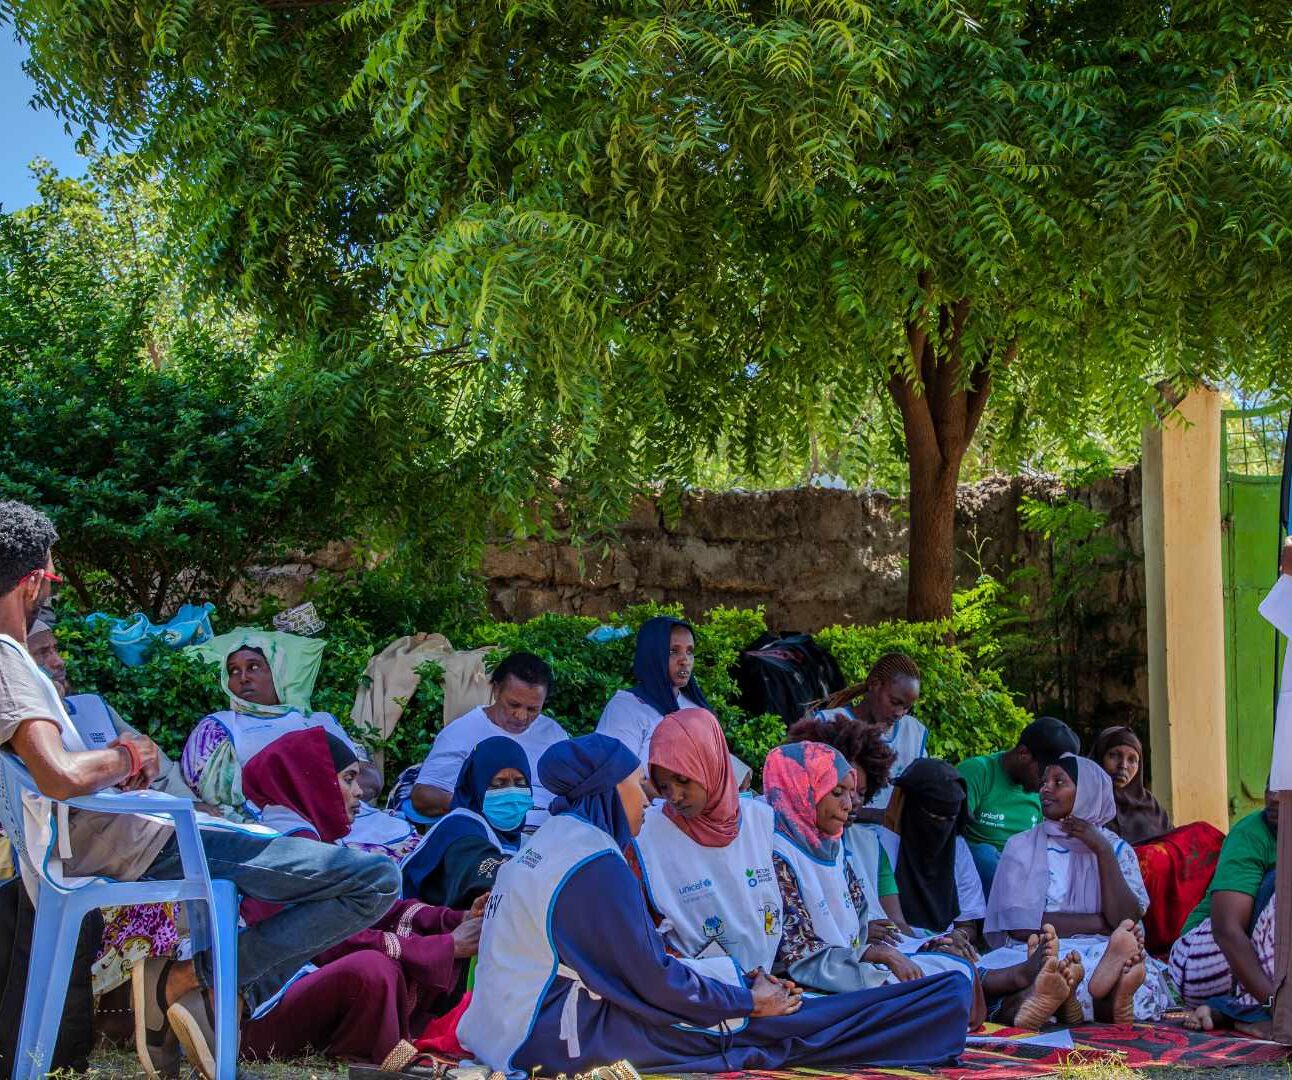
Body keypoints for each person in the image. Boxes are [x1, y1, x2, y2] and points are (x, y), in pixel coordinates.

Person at [0, 500, 401, 1080]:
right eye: (54, 578)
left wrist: (115, 769)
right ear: (34, 579)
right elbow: (57, 774)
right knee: (374, 880)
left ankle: (198, 981)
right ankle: (195, 980)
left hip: (126, 833)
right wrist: (126, 755)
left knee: (319, 862)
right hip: (143, 841)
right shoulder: (9, 660)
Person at [458, 734, 972, 1076]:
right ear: (607, 791)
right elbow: (653, 979)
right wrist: (747, 1001)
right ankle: (932, 1006)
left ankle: (928, 1003)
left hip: (520, 1027)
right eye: (639, 786)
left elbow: (637, 966)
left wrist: (735, 985)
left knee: (761, 1020)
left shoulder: (556, 841)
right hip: (556, 1039)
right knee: (756, 1033)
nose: (650, 799)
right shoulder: (592, 862)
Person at [763, 743, 1070, 1029]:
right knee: (937, 986)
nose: (849, 804)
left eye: (852, 793)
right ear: (803, 792)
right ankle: (1006, 1004)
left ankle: (1010, 999)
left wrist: (929, 945)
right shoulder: (779, 856)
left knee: (951, 969)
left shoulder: (833, 850)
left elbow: (857, 931)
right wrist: (876, 954)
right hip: (820, 982)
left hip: (857, 965)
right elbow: (800, 958)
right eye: (837, 793)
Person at [237, 726, 482, 1074]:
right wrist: (441, 947)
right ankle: (379, 1061)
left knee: (386, 963)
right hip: (255, 1015)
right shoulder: (287, 848)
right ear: (313, 782)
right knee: (374, 969)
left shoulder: (313, 838)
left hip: (286, 998)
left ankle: (381, 1049)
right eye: (348, 778)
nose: (357, 793)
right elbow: (322, 943)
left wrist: (453, 922)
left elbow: (372, 910)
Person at [24, 619, 189, 999]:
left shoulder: (90, 707)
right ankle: (147, 1002)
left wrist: (192, 803)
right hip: (86, 853)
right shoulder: (26, 728)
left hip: (141, 832)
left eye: (55, 649)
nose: (58, 661)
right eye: (43, 653)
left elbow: (158, 765)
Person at [181, 629, 419, 860]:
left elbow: (370, 780)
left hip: (355, 819)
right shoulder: (220, 727)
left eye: (254, 667)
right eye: (233, 671)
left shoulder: (317, 721)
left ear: (277, 671)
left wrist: (325, 795)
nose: (243, 678)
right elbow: (216, 797)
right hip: (279, 826)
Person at [980, 754, 1172, 1024]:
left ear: (1087, 793)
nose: (1046, 788)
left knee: (1124, 971)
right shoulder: (1021, 846)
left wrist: (1101, 851)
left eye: (1059, 782)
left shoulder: (1115, 848)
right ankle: (1085, 1002)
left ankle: (1086, 1001)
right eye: (1044, 781)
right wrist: (1101, 924)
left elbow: (1126, 920)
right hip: (1040, 947)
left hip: (1103, 953)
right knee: (1031, 970)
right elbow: (1020, 926)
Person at [632, 707, 782, 975]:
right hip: (697, 992)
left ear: (712, 764)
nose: (675, 796)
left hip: (770, 978)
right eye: (664, 786)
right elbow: (642, 934)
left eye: (683, 780)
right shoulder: (647, 834)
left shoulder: (761, 820)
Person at [1093, 724, 1224, 954]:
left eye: (1132, 759)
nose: (1123, 765)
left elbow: (1169, 846)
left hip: (1160, 902)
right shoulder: (1087, 802)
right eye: (1114, 755)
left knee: (1203, 833)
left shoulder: (1148, 805)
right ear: (1099, 757)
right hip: (1115, 897)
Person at [409, 652, 567, 828]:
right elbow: (422, 796)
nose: (521, 716)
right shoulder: (462, 731)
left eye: (532, 709)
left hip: (551, 831)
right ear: (496, 690)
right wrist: (477, 805)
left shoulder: (554, 733)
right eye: (513, 705)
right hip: (487, 832)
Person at [1169, 791, 1278, 1012]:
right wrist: (1276, 1008)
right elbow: (1226, 931)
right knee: (1282, 881)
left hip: (1249, 965)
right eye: (1270, 786)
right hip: (1198, 959)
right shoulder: (1251, 833)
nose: (1274, 797)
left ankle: (1230, 1011)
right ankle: (1262, 1011)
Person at [401, 736, 532, 908]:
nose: (511, 794)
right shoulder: (460, 829)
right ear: (476, 786)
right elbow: (483, 882)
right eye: (498, 784)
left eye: (520, 783)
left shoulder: (520, 839)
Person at [958, 716, 1080, 895]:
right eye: (1044, 773)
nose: (1047, 783)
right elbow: (950, 837)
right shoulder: (978, 772)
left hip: (1024, 874)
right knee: (985, 855)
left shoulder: (1043, 792)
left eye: (1057, 777)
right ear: (1023, 754)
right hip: (978, 879)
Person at [878, 758, 987, 939]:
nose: (941, 829)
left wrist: (957, 938)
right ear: (911, 808)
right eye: (934, 818)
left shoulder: (956, 848)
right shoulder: (880, 844)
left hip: (945, 947)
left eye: (949, 820)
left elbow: (967, 923)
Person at [814, 654, 926, 823]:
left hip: (892, 844)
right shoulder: (828, 724)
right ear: (874, 684)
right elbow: (808, 792)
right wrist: (872, 815)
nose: (899, 713)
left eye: (907, 708)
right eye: (895, 702)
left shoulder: (914, 733)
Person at [595, 616, 711, 765]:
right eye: (673, 651)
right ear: (652, 655)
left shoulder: (695, 709)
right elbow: (616, 774)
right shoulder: (626, 708)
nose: (685, 660)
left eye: (689, 652)